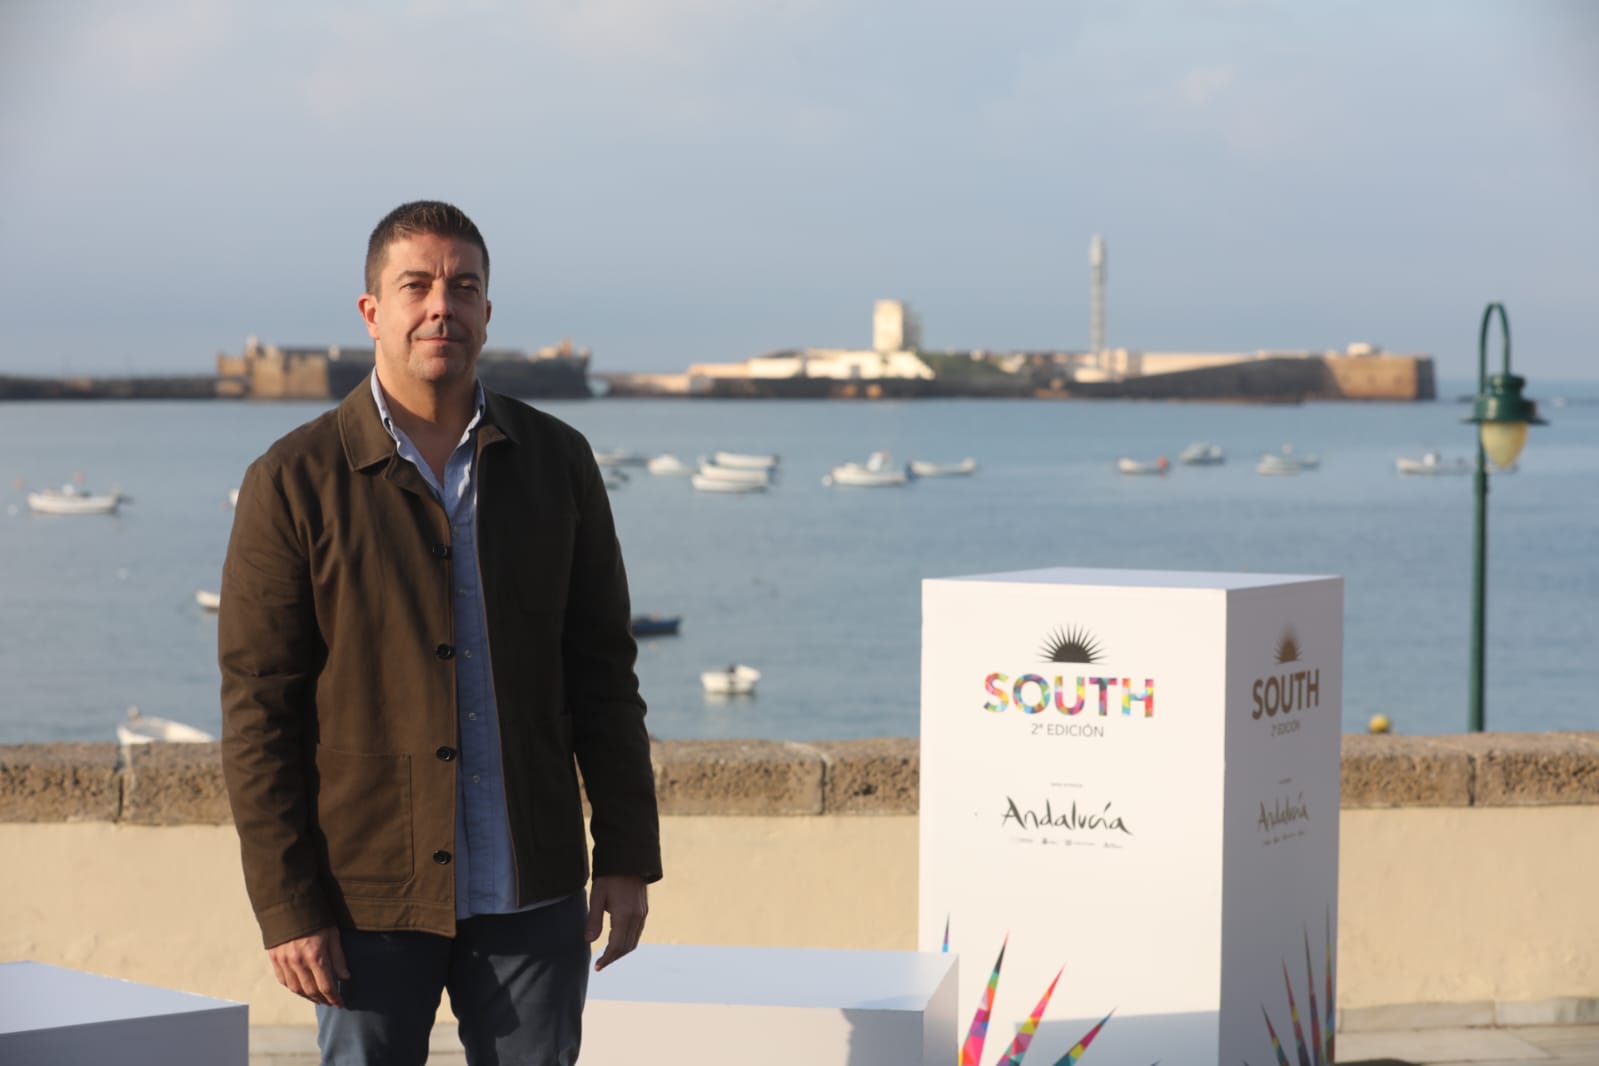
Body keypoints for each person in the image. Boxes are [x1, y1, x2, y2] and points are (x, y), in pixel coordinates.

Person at [219, 200, 661, 1065]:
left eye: (463, 287)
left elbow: (603, 672)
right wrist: (288, 906)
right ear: (371, 311)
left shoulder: (557, 462)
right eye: (415, 285)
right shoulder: (292, 481)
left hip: (530, 887)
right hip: (363, 896)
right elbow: (258, 713)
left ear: (487, 313)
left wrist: (626, 853)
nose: (440, 307)